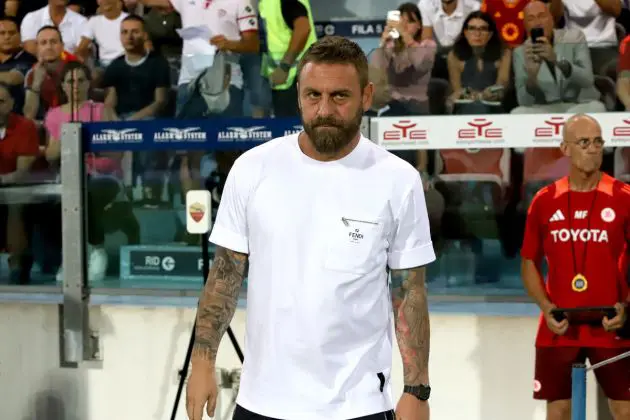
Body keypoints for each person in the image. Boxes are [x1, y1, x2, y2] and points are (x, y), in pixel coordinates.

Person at [185, 36, 436, 420]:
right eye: (313, 95)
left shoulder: (398, 180)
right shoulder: (253, 169)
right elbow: (225, 273)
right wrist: (203, 360)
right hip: (262, 401)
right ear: (299, 96)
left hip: (360, 403)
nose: (324, 110)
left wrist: (416, 390)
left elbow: (409, 292)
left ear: (366, 96)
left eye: (339, 96)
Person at [521, 114, 630, 420]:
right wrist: (545, 306)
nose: (593, 149)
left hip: (613, 325)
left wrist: (627, 307)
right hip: (560, 326)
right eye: (584, 142)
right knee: (558, 413)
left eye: (598, 142)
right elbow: (528, 261)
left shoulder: (623, 198)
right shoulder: (545, 200)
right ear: (565, 148)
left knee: (624, 411)